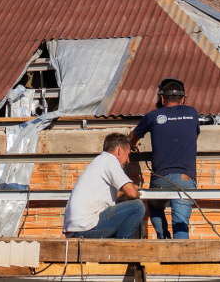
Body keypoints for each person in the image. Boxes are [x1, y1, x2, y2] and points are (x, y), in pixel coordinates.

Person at [129, 77, 199, 239]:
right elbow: (192, 137)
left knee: (155, 206)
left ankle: (163, 237)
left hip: (160, 179)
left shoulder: (152, 116)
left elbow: (132, 139)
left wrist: (131, 145)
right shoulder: (192, 113)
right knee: (180, 225)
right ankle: (180, 259)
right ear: (183, 99)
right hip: (185, 179)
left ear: (162, 98)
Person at [63, 132, 146, 239]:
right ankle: (121, 249)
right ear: (120, 151)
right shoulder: (110, 160)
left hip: (78, 229)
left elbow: (104, 198)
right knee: (137, 207)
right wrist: (131, 191)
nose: (128, 161)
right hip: (87, 227)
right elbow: (132, 194)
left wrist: (123, 192)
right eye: (128, 155)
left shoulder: (100, 161)